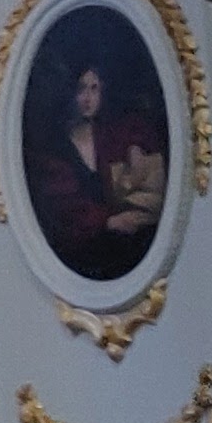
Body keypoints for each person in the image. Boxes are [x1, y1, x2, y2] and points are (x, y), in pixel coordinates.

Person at [28, 50, 167, 281]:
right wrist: (108, 222)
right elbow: (62, 210)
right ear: (69, 93)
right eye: (81, 89)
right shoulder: (54, 147)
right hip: (81, 261)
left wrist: (135, 148)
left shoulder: (110, 132)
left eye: (94, 89)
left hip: (128, 252)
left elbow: (140, 131)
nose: (88, 98)